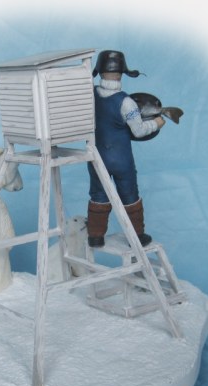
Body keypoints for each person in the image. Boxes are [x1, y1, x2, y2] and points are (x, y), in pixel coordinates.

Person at [87, 50, 165, 248]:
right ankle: (137, 236)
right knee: (129, 194)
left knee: (98, 194)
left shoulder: (91, 94)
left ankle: (95, 236)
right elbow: (138, 131)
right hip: (121, 159)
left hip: (96, 156)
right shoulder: (127, 102)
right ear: (122, 74)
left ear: (99, 72)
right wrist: (156, 123)